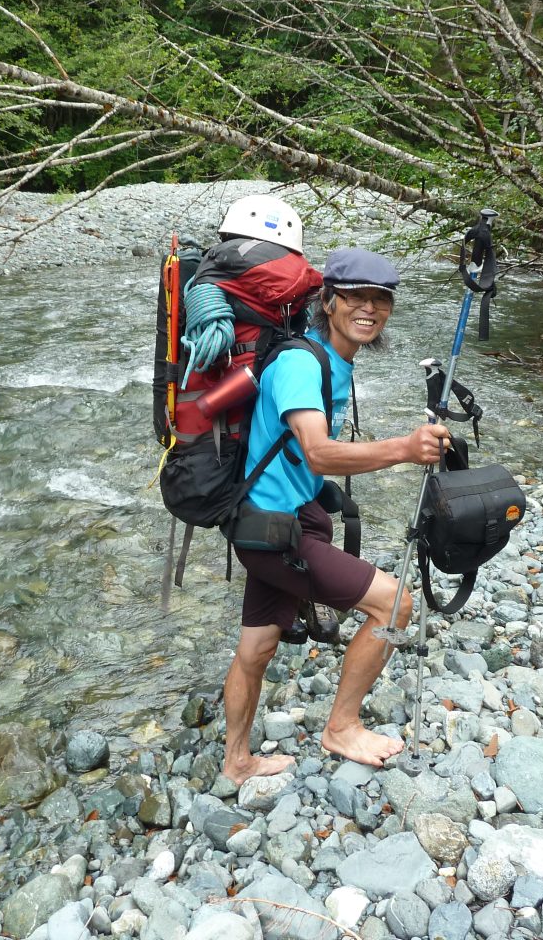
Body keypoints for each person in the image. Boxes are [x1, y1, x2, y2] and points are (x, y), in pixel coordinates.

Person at [221, 246, 451, 785]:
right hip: (274, 532)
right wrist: (404, 448)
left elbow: (299, 456)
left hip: (275, 519)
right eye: (355, 298)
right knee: (395, 605)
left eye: (381, 300)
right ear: (327, 301)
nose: (369, 309)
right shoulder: (303, 363)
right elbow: (319, 451)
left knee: (256, 646)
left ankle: (236, 762)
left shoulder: (331, 357)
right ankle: (341, 727)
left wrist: (317, 491)